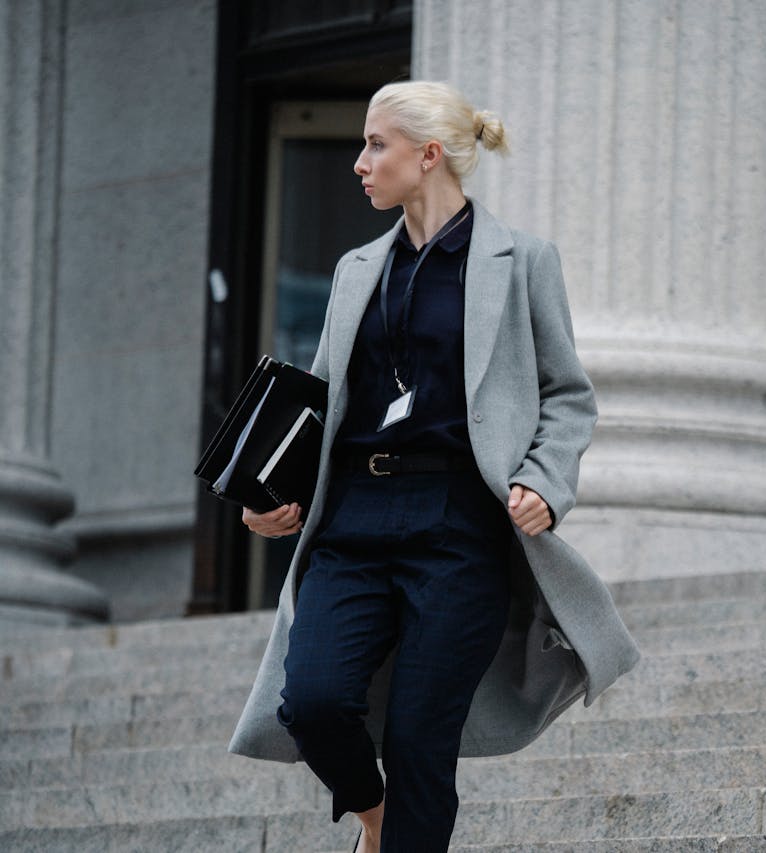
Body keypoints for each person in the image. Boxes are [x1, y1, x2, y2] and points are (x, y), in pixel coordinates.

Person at [227, 81, 639, 852]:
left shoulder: (523, 262)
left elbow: (569, 396)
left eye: (375, 145)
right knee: (314, 699)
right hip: (352, 521)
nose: (359, 163)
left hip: (460, 530)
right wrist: (269, 495)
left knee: (421, 740)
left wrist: (545, 483)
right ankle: (374, 815)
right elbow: (319, 401)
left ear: (428, 155)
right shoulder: (355, 270)